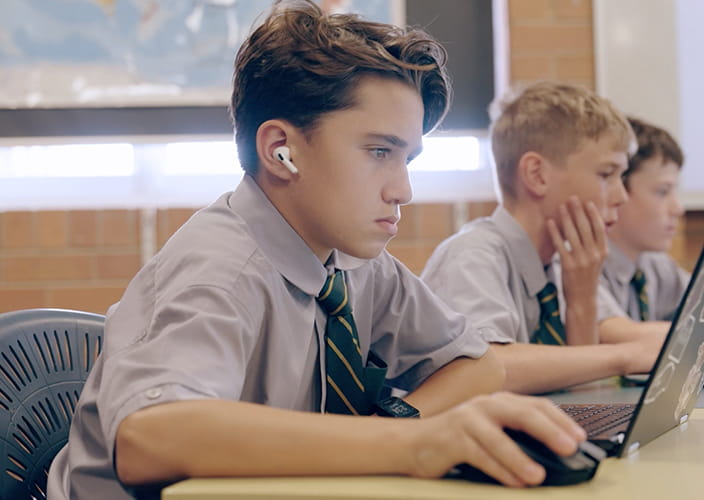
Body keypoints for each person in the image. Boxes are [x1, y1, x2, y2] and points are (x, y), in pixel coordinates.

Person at [47, 2, 585, 499]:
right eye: (379, 152)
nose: (403, 190)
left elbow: (477, 366)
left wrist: (389, 431)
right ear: (281, 152)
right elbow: (149, 437)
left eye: (408, 160)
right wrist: (410, 446)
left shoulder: (353, 263)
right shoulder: (220, 271)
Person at [422, 81, 667, 395]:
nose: (620, 196)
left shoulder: (567, 265)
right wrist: (624, 356)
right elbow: (488, 369)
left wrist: (582, 301)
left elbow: (587, 399)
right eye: (606, 175)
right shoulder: (472, 255)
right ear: (537, 175)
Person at [600, 117, 690, 323]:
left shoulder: (653, 264)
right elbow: (617, 336)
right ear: (617, 190)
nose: (678, 208)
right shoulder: (581, 263)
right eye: (662, 192)